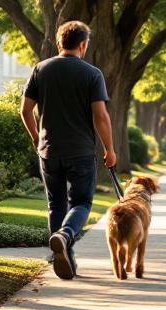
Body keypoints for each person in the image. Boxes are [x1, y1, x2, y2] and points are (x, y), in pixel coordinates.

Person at [20, 20, 116, 281]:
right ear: (83, 45)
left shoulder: (41, 69)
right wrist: (110, 149)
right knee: (82, 203)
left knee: (56, 204)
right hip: (81, 151)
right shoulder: (92, 74)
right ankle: (64, 236)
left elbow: (25, 110)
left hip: (48, 151)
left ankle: (65, 259)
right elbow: (101, 116)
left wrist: (35, 138)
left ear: (59, 42)